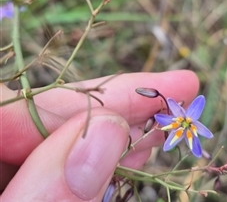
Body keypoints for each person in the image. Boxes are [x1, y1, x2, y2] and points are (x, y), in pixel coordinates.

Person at [0, 70, 199, 201]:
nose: (183, 124)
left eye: (186, 124)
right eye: (183, 122)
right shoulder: (169, 121)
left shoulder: (178, 125)